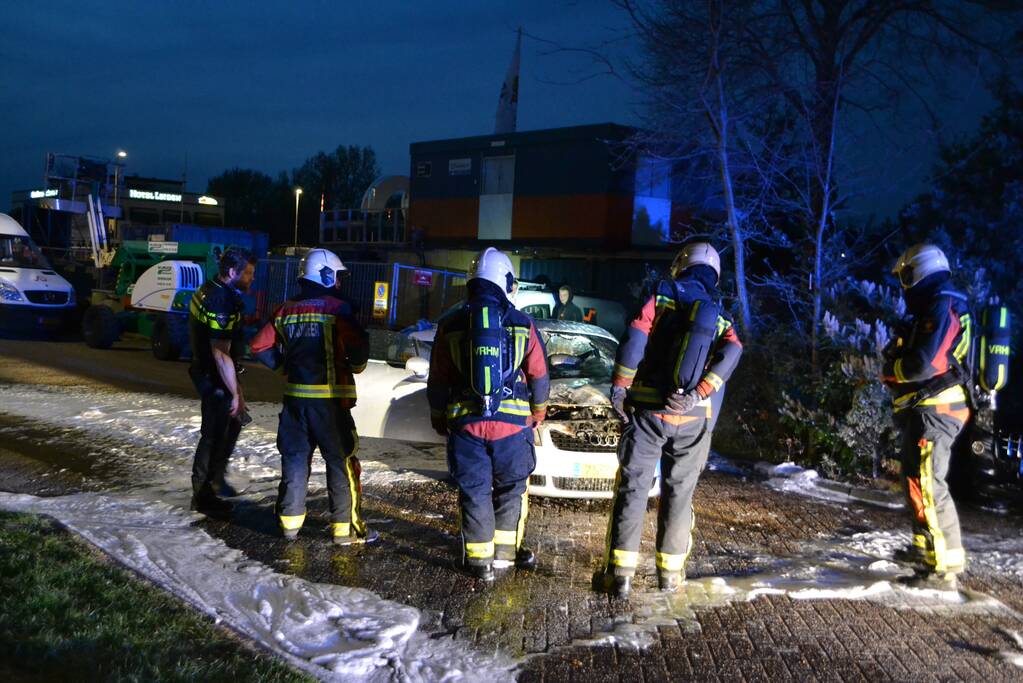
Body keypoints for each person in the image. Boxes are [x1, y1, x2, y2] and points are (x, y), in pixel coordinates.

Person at [594, 242, 742, 598]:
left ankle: (620, 576)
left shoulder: (662, 294)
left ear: (682, 265)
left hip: (648, 411)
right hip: (692, 417)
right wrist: (699, 394)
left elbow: (635, 336)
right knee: (679, 495)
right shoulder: (720, 313)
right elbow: (734, 349)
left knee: (633, 489)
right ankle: (669, 576)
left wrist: (620, 387)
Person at [427, 247, 550, 582]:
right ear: (506, 282)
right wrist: (537, 413)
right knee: (511, 488)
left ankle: (479, 563)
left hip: (466, 426)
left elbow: (438, 378)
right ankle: (506, 555)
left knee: (475, 490)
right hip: (512, 426)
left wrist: (440, 417)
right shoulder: (523, 323)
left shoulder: (450, 324)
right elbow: (539, 373)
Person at [250, 248, 372, 544]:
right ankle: (343, 531)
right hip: (330, 405)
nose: (340, 283)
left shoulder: (284, 310)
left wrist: (282, 367)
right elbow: (358, 350)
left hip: (295, 405)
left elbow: (258, 346)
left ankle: (289, 526)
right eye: (337, 277)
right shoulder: (337, 309)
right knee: (340, 463)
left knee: (294, 462)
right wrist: (355, 364)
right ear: (326, 275)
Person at [883, 244, 972, 590]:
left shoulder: (943, 302)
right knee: (916, 482)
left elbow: (927, 363)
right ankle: (926, 550)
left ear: (919, 272)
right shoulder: (938, 304)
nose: (904, 286)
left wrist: (892, 368)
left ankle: (942, 568)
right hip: (929, 407)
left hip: (938, 409)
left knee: (929, 485)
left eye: (906, 277)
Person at [188, 247, 257, 514]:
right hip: (212, 375)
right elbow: (220, 354)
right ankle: (203, 496)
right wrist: (236, 393)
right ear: (232, 272)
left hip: (213, 372)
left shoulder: (212, 288)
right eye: (248, 273)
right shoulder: (221, 301)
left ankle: (215, 480)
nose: (252, 279)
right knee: (213, 434)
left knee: (232, 424)